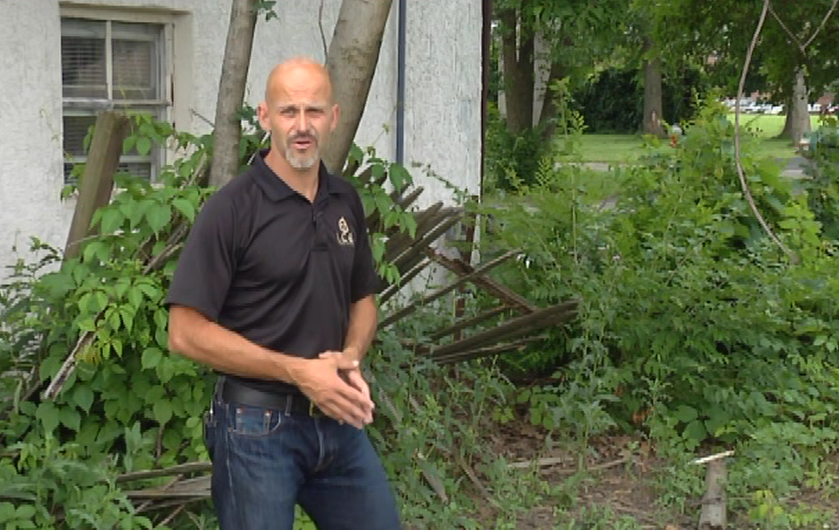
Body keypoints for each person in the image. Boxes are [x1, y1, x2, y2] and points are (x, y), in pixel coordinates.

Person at [165, 57, 401, 530]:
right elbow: (184, 334)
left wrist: (350, 358)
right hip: (255, 426)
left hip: (338, 421)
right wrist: (298, 372)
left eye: (313, 111)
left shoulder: (344, 200)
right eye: (288, 111)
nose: (301, 126)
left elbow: (363, 300)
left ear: (333, 117)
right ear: (264, 116)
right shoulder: (232, 209)